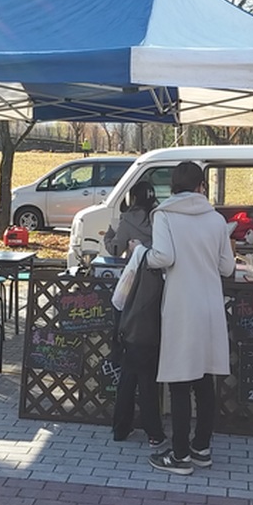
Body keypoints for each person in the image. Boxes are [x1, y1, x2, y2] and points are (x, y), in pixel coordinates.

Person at [139, 161, 235, 475]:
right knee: (205, 379)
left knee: (180, 381)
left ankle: (180, 456)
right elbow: (227, 267)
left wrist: (142, 254)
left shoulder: (165, 214)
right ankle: (201, 448)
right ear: (201, 186)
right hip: (211, 305)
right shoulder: (216, 219)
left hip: (181, 306)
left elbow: (164, 256)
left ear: (173, 186)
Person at [108, 182, 165, 448]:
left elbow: (114, 249)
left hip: (131, 296)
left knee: (131, 371)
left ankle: (122, 427)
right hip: (157, 296)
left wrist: (110, 235)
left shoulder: (127, 219)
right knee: (145, 372)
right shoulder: (160, 219)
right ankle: (153, 431)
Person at [103, 181, 156, 257]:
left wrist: (109, 235)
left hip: (137, 263)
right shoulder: (161, 217)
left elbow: (115, 250)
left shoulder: (128, 221)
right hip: (160, 262)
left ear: (134, 199)